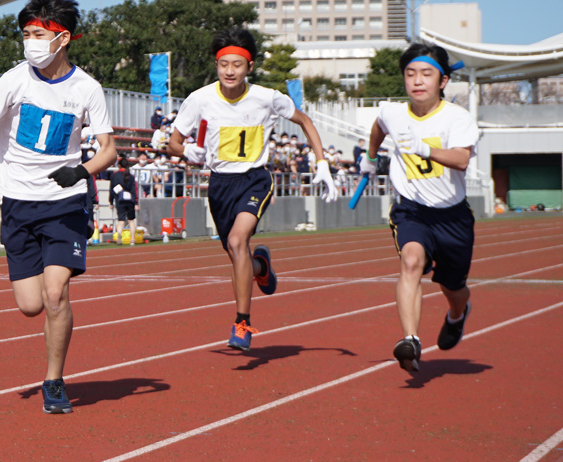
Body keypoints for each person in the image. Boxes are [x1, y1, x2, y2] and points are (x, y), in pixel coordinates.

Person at [0, 0, 117, 414]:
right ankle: (53, 353)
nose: (30, 42)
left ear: (62, 39)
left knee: (55, 294)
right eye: (26, 34)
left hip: (65, 204)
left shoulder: (87, 88)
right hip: (17, 202)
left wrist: (81, 172)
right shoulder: (14, 79)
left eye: (38, 34)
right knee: (31, 306)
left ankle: (54, 380)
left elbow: (108, 150)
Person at [167, 27, 338, 352]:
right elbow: (173, 143)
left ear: (250, 66)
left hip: (254, 180)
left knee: (237, 241)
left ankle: (242, 323)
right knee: (238, 256)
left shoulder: (267, 97)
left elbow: (305, 121)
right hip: (220, 185)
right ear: (216, 65)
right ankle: (261, 266)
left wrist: (322, 163)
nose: (230, 71)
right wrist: (190, 151)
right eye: (223, 64)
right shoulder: (200, 99)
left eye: (237, 65)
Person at [360, 43, 478, 374]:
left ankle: (458, 313)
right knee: (411, 262)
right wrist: (370, 157)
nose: (417, 80)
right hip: (411, 210)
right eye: (410, 73)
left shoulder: (457, 118)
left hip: (452, 216)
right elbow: (379, 126)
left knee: (453, 288)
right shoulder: (393, 112)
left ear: (442, 81)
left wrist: (425, 148)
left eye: (426, 74)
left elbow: (462, 158)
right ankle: (410, 340)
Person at [109, 157, 140, 245]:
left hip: (119, 199)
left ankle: (119, 234)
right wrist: (136, 202)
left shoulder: (114, 175)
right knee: (131, 220)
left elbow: (111, 189)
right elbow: (134, 189)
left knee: (121, 220)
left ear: (119, 165)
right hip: (130, 200)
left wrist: (111, 201)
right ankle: (132, 239)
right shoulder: (131, 176)